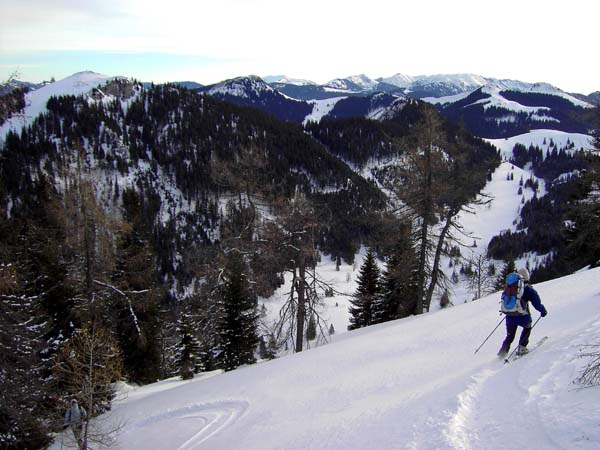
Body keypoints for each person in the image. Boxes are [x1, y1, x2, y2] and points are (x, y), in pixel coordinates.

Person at [497, 268, 547, 357]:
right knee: (527, 328)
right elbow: (537, 303)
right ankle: (522, 347)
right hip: (522, 316)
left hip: (509, 316)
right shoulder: (528, 289)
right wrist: (543, 311)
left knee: (510, 335)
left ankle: (503, 352)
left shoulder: (510, 286)